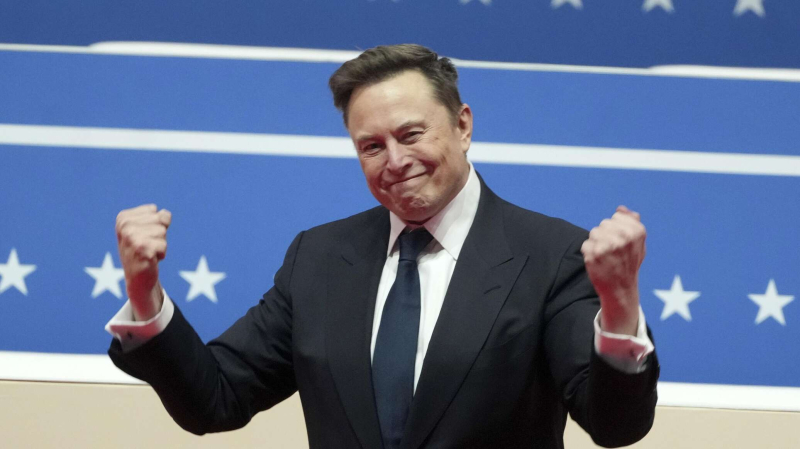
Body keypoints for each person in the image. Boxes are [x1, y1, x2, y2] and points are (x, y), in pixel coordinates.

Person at [106, 44, 658, 449]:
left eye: (411, 134)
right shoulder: (318, 258)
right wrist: (144, 294)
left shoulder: (551, 254)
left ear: (463, 126)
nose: (395, 161)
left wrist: (619, 308)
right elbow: (215, 399)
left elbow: (615, 425)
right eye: (371, 146)